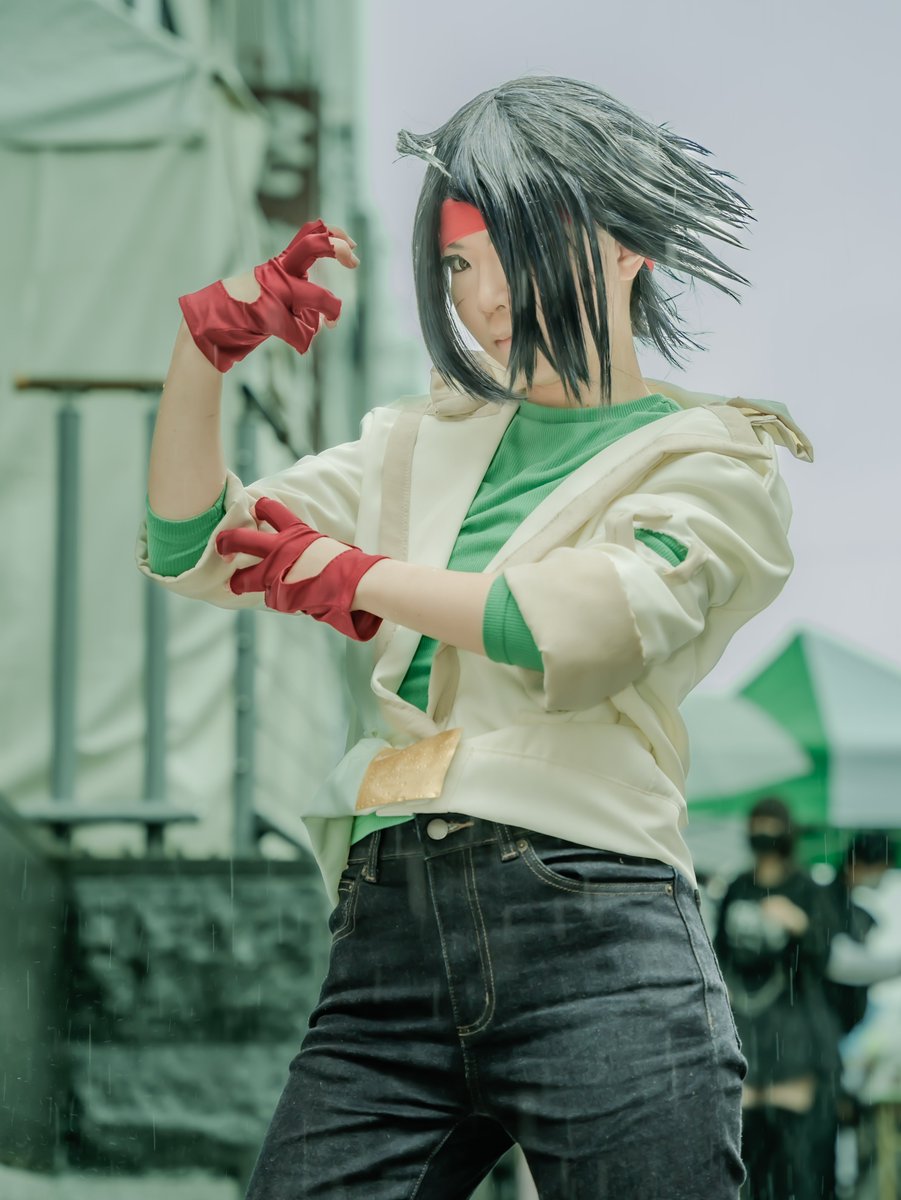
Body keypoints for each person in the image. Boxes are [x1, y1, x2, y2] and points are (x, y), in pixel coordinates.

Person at [137, 74, 813, 1198]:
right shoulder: (417, 443)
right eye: (457, 263)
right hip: (386, 934)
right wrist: (199, 357)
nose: (484, 295)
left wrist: (363, 578)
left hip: (594, 916)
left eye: (518, 246)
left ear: (628, 245)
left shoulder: (713, 459)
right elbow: (195, 547)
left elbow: (581, 624)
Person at [714, 798, 842, 1200]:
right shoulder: (738, 886)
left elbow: (827, 954)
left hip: (796, 1033)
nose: (763, 837)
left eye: (771, 829)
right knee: (747, 1158)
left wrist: (799, 922)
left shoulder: (807, 888)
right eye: (757, 828)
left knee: (799, 1161)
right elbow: (718, 955)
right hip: (746, 1030)